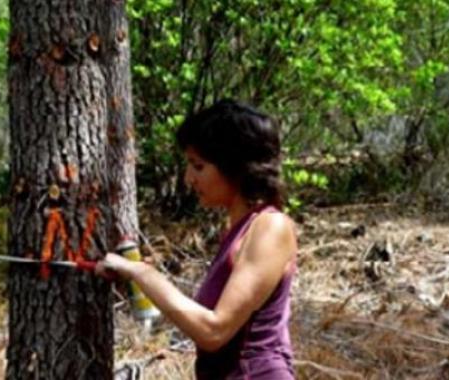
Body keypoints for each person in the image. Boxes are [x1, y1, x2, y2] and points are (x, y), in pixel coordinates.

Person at [97, 99, 298, 379]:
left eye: (199, 166)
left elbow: (214, 330)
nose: (189, 178)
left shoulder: (270, 227)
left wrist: (141, 272)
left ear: (235, 167)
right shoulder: (236, 230)